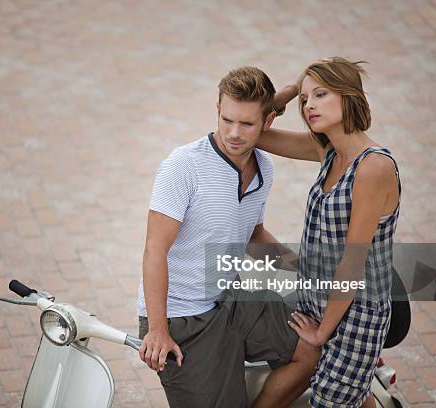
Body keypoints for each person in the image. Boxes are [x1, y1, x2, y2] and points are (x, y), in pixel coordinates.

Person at [137, 66, 320, 408]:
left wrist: (304, 269)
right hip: (181, 318)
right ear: (217, 110)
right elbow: (154, 250)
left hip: (232, 300)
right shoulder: (183, 166)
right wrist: (158, 330)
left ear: (267, 122)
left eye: (247, 124)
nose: (234, 133)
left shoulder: (264, 168)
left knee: (311, 353)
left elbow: (253, 234)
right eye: (227, 120)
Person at [258, 57, 401, 407]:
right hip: (315, 300)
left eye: (320, 94)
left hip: (356, 315)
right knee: (345, 394)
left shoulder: (373, 168)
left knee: (328, 400)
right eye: (306, 99)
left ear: (349, 95)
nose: (309, 105)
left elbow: (353, 265)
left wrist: (322, 334)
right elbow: (253, 131)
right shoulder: (327, 150)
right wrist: (289, 91)